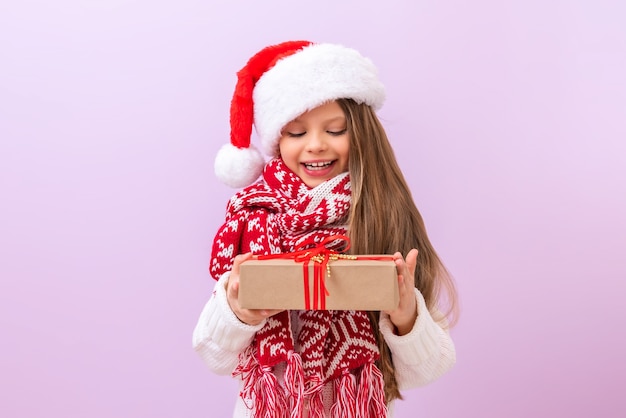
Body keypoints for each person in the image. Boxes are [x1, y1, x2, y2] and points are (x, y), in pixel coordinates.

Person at [193, 40, 459, 418]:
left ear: (362, 134)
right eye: (296, 133)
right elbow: (212, 354)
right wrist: (238, 312)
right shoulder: (253, 219)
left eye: (335, 130)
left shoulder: (382, 215)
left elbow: (430, 368)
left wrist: (405, 318)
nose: (315, 145)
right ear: (277, 141)